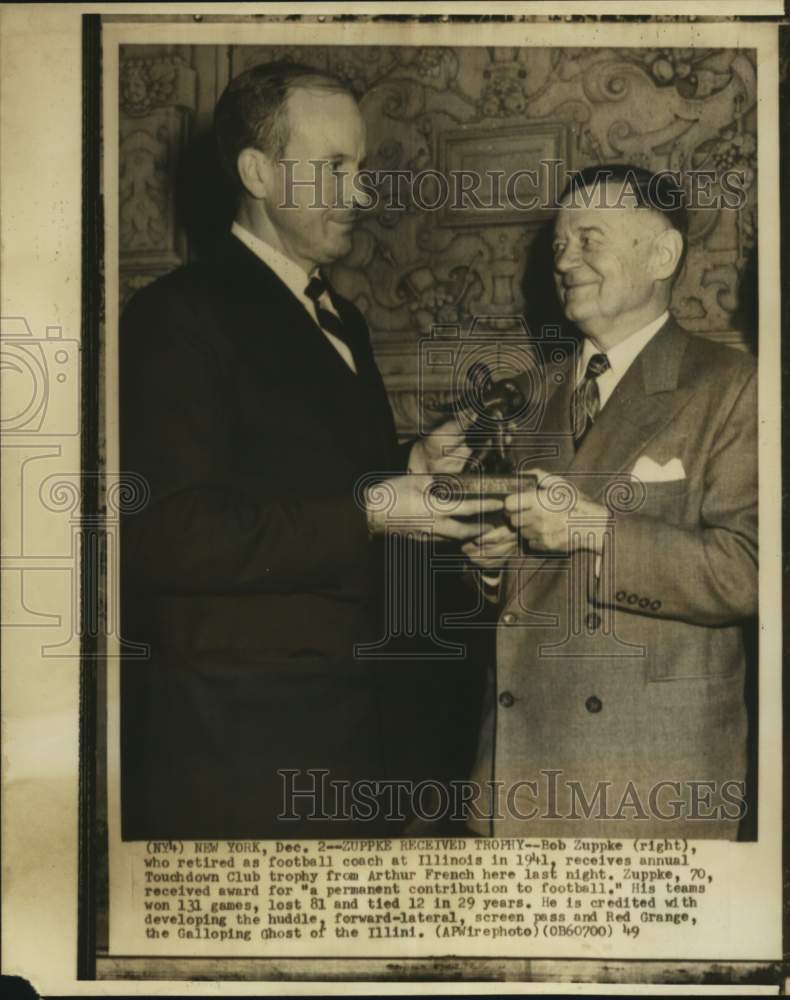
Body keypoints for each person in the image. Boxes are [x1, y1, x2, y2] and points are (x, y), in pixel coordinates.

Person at [119, 61, 495, 840]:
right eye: (333, 169)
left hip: (345, 731)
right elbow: (170, 535)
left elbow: (293, 473)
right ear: (257, 171)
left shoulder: (339, 316)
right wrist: (372, 508)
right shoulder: (176, 316)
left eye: (361, 169)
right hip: (241, 752)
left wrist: (409, 468)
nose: (360, 194)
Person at [463, 164, 758, 839]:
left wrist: (597, 530)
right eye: (560, 244)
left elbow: (752, 571)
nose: (566, 260)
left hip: (645, 784)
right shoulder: (526, 396)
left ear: (661, 255)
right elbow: (513, 596)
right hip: (513, 773)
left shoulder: (732, 386)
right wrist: (488, 566)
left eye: (590, 239)